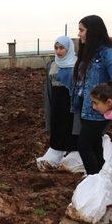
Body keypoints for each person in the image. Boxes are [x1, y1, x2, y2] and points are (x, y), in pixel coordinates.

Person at [70, 15, 112, 175]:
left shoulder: (107, 53)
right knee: (94, 146)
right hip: (85, 107)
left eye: (82, 30)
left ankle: (95, 180)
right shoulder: (88, 52)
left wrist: (100, 98)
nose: (79, 34)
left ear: (92, 31)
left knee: (83, 145)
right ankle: (102, 181)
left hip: (98, 111)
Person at [37, 36, 81, 170]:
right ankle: (56, 152)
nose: (58, 51)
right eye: (56, 48)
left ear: (69, 48)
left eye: (62, 48)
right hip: (57, 103)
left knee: (71, 127)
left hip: (72, 103)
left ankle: (74, 154)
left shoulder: (78, 65)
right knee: (58, 126)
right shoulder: (52, 64)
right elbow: (49, 87)